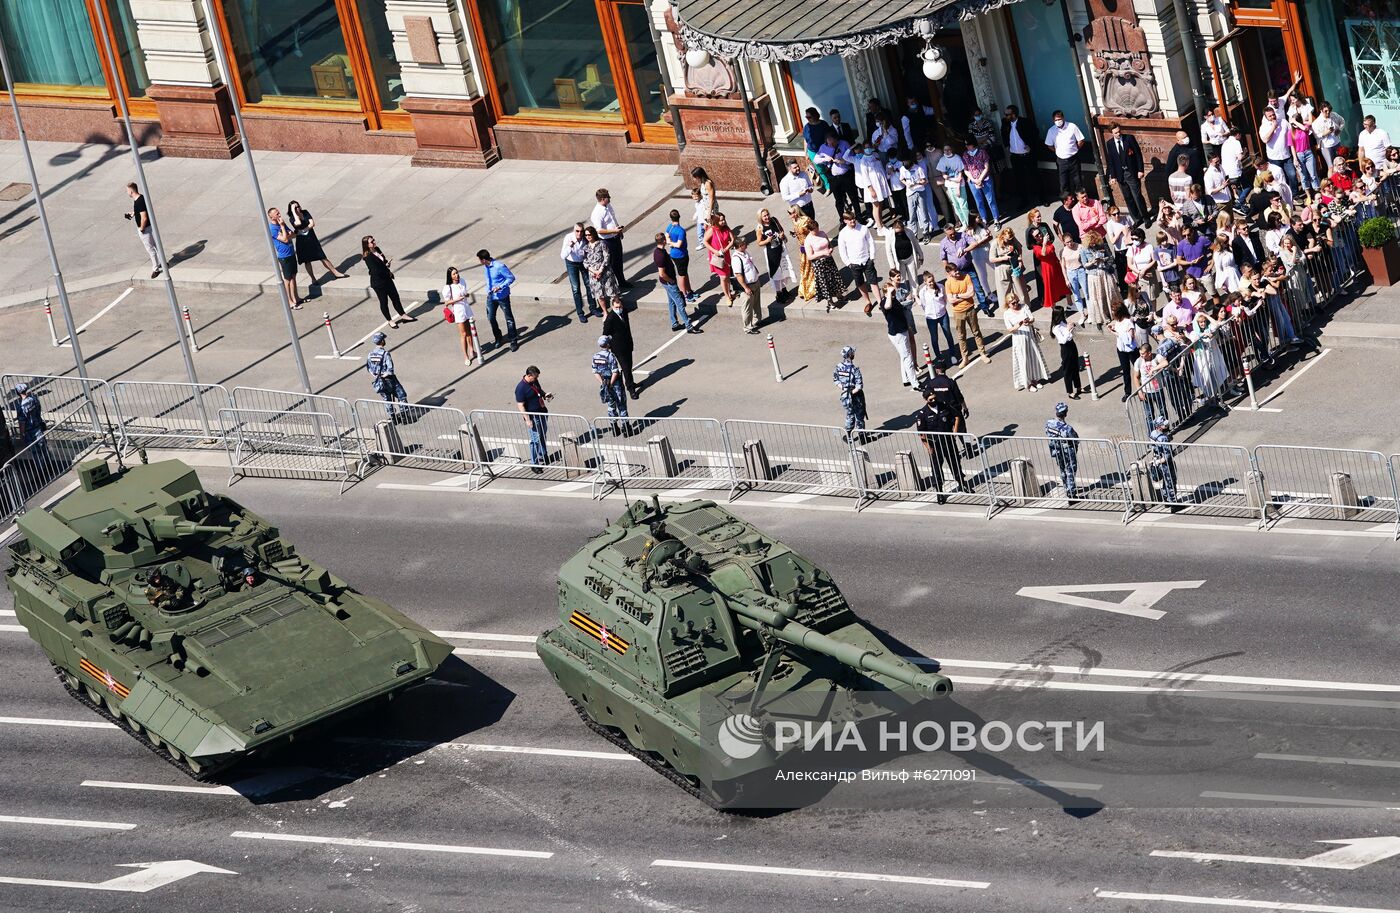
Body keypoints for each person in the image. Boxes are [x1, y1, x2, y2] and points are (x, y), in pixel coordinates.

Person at [915, 389, 967, 502]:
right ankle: (939, 492)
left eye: (934, 398)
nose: (934, 400)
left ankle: (962, 484)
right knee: (937, 469)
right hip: (935, 445)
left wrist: (955, 432)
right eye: (930, 399)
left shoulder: (944, 406)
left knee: (955, 464)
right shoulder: (923, 414)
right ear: (925, 400)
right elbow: (921, 434)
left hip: (948, 442)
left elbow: (957, 416)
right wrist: (928, 448)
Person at [287, 200, 346, 289]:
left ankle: (335, 272)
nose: (298, 208)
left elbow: (312, 223)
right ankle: (313, 278)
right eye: (295, 208)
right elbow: (298, 223)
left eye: (298, 206)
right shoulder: (292, 218)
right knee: (307, 261)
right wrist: (293, 212)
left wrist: (304, 229)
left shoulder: (305, 212)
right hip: (302, 241)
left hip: (311, 238)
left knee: (322, 256)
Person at [878, 271, 921, 389]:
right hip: (898, 333)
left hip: (903, 329)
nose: (894, 291)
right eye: (892, 291)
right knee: (907, 357)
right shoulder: (885, 302)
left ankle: (906, 379)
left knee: (904, 355)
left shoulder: (893, 299)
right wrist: (889, 294)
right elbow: (887, 306)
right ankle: (915, 383)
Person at [940, 223, 992, 316]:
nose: (953, 235)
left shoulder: (962, 235)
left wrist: (965, 250)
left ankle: (984, 306)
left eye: (953, 232)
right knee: (960, 290)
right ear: (946, 234)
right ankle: (967, 309)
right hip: (955, 271)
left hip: (968, 267)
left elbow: (974, 243)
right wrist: (948, 272)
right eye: (950, 234)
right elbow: (944, 259)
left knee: (977, 287)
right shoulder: (943, 243)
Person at [945, 262, 990, 366]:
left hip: (970, 309)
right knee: (961, 336)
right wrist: (963, 296)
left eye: (957, 270)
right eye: (954, 271)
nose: (957, 272)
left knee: (976, 332)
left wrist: (957, 296)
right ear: (949, 273)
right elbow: (951, 300)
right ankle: (965, 358)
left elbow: (971, 293)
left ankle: (982, 353)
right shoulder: (948, 283)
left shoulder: (966, 277)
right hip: (958, 312)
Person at [1003, 293, 1049, 391]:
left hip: (1030, 337)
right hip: (1019, 341)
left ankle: (1035, 380)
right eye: (1013, 303)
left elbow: (1032, 318)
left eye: (1017, 302)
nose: (1016, 304)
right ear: (1008, 304)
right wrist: (1019, 325)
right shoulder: (1007, 313)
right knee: (1024, 361)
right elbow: (1010, 329)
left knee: (1033, 359)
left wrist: (1029, 322)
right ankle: (1028, 384)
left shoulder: (1024, 307)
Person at [655, 232, 699, 334]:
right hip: (669, 283)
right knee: (680, 303)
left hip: (667, 282)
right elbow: (662, 273)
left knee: (671, 302)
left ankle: (674, 323)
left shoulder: (658, 251)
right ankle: (689, 326)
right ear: (664, 241)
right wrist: (671, 281)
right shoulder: (660, 255)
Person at [477, 249, 519, 352]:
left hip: (502, 296)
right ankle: (498, 337)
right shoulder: (486, 267)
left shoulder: (499, 266)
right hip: (491, 297)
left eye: (479, 259)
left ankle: (513, 340)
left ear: (483, 260)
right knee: (491, 317)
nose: (479, 262)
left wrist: (500, 287)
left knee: (509, 318)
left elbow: (511, 278)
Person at [1104, 125, 1147, 223]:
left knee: (1137, 196)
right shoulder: (1110, 143)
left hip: (1131, 172)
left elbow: (1138, 154)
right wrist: (1113, 176)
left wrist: (1140, 170)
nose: (1118, 134)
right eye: (1116, 133)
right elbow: (1111, 161)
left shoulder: (1129, 138)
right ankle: (1136, 218)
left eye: (1119, 131)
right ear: (1112, 133)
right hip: (1120, 175)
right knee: (1128, 197)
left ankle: (1145, 217)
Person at [513, 366, 553, 471]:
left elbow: (538, 391)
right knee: (535, 440)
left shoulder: (534, 381)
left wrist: (545, 395)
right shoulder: (521, 388)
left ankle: (543, 455)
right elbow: (520, 405)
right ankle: (534, 463)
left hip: (542, 412)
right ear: (529, 375)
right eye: (535, 377)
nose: (537, 379)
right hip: (533, 417)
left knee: (543, 435)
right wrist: (527, 420)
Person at [364, 235, 410, 326]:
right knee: (384, 301)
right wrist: (385, 268)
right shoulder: (368, 257)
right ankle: (390, 320)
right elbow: (375, 271)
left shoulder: (377, 249)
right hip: (379, 282)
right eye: (371, 241)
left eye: (373, 240)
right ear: (367, 245)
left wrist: (386, 264)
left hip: (387, 278)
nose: (374, 242)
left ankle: (403, 314)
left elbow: (383, 262)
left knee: (395, 297)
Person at [838, 210, 879, 312]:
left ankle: (879, 301)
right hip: (854, 264)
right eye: (850, 219)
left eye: (853, 218)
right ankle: (867, 302)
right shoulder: (843, 234)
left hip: (867, 260)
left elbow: (871, 242)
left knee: (873, 281)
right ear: (845, 221)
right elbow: (842, 251)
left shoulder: (863, 228)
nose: (853, 221)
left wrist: (872, 257)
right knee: (860, 283)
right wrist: (848, 264)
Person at [815, 131, 860, 221]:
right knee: (839, 200)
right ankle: (842, 220)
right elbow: (816, 159)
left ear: (837, 139)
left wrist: (844, 161)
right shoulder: (823, 147)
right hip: (834, 178)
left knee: (853, 197)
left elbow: (853, 158)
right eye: (829, 143)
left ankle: (859, 216)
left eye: (833, 143)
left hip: (846, 175)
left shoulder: (844, 144)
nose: (831, 145)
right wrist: (825, 159)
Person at [591, 188, 631, 289]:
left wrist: (618, 231)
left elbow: (613, 219)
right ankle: (613, 285)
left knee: (618, 261)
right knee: (611, 263)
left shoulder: (608, 206)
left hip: (615, 237)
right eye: (608, 197)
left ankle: (622, 282)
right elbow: (599, 230)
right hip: (607, 241)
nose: (610, 198)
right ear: (603, 199)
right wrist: (614, 231)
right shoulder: (597, 212)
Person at [1080, 230, 1120, 328]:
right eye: (1091, 243)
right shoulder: (1084, 250)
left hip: (1104, 272)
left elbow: (1110, 258)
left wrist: (1104, 260)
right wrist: (1093, 262)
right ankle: (1100, 318)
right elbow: (1085, 265)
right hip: (1093, 275)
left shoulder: (1102, 246)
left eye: (1095, 242)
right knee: (1097, 298)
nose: (1093, 245)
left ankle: (1115, 314)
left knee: (1110, 294)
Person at [804, 218, 846, 312]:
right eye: (815, 230)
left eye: (817, 229)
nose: (817, 231)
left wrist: (830, 249)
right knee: (825, 283)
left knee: (835, 278)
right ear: (810, 230)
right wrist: (822, 254)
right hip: (819, 264)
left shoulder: (822, 233)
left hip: (829, 260)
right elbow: (810, 257)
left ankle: (839, 296)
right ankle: (830, 302)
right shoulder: (808, 240)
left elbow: (829, 244)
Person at [561, 222, 600, 322]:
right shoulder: (568, 238)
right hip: (571, 263)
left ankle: (593, 308)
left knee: (589, 284)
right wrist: (570, 246)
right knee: (575, 288)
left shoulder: (585, 238)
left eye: (581, 231)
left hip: (582, 262)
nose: (579, 233)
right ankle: (580, 313)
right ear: (574, 231)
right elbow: (562, 255)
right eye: (577, 231)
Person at [1002, 105, 1040, 207]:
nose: (1005, 116)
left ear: (1013, 115)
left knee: (1035, 176)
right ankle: (1024, 201)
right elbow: (1004, 135)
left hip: (1027, 155)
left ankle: (1041, 198)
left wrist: (1031, 146)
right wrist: (1007, 146)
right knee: (1019, 180)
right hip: (1015, 156)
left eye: (1007, 114)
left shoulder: (1025, 122)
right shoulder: (1005, 124)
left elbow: (1035, 134)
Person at [756, 208, 795, 305]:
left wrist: (782, 235)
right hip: (771, 253)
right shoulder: (760, 228)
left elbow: (781, 229)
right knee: (776, 272)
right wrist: (768, 240)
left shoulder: (774, 220)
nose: (767, 217)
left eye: (767, 214)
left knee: (783, 269)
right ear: (760, 217)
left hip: (780, 249)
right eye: (764, 216)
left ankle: (784, 289)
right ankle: (779, 293)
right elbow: (759, 243)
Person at [602, 298, 640, 398]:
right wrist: (609, 346)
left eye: (620, 307)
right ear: (612, 307)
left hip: (627, 344)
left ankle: (630, 382)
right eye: (616, 307)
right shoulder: (610, 319)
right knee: (626, 368)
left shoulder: (624, 312)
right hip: (618, 348)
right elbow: (605, 334)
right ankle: (631, 389)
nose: (619, 309)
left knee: (629, 366)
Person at [365, 331, 408, 418]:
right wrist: (385, 375)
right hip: (390, 380)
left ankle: (392, 417)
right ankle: (404, 416)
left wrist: (377, 376)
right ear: (381, 341)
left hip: (379, 381)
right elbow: (390, 369)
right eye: (383, 339)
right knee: (401, 395)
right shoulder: (385, 354)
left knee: (387, 399)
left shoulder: (370, 354)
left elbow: (369, 368)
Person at [1045, 401, 1081, 501]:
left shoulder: (1049, 424)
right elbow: (1076, 439)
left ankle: (1066, 488)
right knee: (1070, 470)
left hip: (1056, 451)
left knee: (1062, 469)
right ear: (1065, 413)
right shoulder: (1067, 428)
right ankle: (1071, 494)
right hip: (1067, 451)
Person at [592, 335, 630, 431]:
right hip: (615, 383)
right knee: (621, 404)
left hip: (605, 382)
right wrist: (611, 383)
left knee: (610, 405)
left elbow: (595, 372)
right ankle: (626, 428)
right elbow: (615, 372)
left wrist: (603, 383)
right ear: (607, 344)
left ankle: (614, 428)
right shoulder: (610, 356)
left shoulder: (595, 356)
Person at [124, 183, 161, 278]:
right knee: (156, 246)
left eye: (127, 190)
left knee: (150, 249)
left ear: (131, 191)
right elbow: (140, 211)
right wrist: (132, 214)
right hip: (149, 227)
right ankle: (162, 262)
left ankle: (156, 268)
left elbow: (144, 217)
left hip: (145, 229)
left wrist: (141, 229)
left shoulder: (139, 201)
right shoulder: (140, 198)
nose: (127, 192)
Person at [441, 266, 476, 364]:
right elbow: (446, 302)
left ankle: (472, 350)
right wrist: (458, 299)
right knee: (463, 334)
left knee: (470, 332)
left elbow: (465, 293)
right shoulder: (448, 287)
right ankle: (466, 356)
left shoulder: (462, 281)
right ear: (450, 276)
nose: (457, 275)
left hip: (466, 308)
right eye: (454, 274)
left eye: (457, 273)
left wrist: (466, 295)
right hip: (458, 310)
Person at [1045, 111, 1085, 196]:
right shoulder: (1051, 131)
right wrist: (1057, 151)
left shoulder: (1072, 126)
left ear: (1063, 118)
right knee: (1064, 183)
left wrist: (1076, 148)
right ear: (1053, 120)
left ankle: (1080, 202)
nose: (1058, 121)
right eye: (1056, 120)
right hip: (1061, 161)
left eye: (1059, 119)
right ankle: (1067, 203)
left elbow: (1081, 140)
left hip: (1073, 159)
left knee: (1078, 182)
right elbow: (1049, 145)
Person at [962, 137, 1001, 225]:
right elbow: (966, 170)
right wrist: (973, 180)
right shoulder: (965, 154)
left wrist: (980, 179)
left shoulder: (982, 152)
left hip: (985, 179)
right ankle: (984, 219)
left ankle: (996, 219)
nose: (966, 146)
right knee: (979, 202)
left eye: (968, 144)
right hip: (973, 181)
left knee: (991, 200)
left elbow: (986, 167)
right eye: (965, 144)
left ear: (973, 144)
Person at [918, 271, 955, 360]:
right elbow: (923, 305)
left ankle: (953, 354)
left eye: (932, 281)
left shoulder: (941, 287)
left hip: (942, 315)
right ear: (925, 282)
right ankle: (939, 357)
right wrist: (929, 312)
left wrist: (941, 308)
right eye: (929, 282)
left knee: (948, 334)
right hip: (931, 318)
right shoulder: (922, 292)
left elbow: (944, 300)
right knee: (934, 338)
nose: (932, 283)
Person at [990, 227, 1029, 312]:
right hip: (1001, 267)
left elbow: (1019, 248)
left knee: (1020, 287)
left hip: (1014, 265)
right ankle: (1007, 311)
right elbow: (991, 259)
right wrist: (1003, 258)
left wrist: (1020, 260)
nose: (1009, 241)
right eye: (1008, 239)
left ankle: (1025, 307)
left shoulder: (1012, 239)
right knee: (1004, 291)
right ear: (1003, 236)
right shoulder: (995, 243)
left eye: (1011, 239)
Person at [1032, 224, 1070, 312]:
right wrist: (1044, 243)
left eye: (1039, 233)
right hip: (1047, 269)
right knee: (1051, 289)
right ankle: (1055, 311)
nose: (1039, 236)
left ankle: (1070, 304)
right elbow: (1043, 253)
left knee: (1063, 284)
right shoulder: (1036, 247)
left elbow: (1053, 252)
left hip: (1055, 264)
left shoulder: (1047, 242)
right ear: (1033, 238)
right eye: (1036, 236)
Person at [832, 345, 867, 439]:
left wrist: (844, 389)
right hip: (856, 396)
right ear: (850, 355)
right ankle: (862, 437)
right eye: (853, 352)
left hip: (845, 396)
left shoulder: (838, 367)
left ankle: (848, 436)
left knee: (849, 414)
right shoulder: (855, 370)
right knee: (859, 416)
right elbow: (859, 386)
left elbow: (836, 380)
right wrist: (852, 392)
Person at [881, 216, 924, 290]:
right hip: (899, 261)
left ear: (903, 228)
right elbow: (888, 251)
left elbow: (915, 243)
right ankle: (904, 295)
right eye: (897, 232)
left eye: (901, 232)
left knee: (914, 278)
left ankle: (915, 294)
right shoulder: (889, 235)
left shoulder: (909, 232)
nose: (899, 234)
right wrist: (892, 266)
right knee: (901, 279)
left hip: (910, 258)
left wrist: (921, 255)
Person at [899, 151, 935, 240]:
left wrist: (917, 182)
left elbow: (925, 181)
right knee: (912, 215)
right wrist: (907, 184)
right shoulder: (903, 169)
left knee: (924, 213)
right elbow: (901, 179)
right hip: (910, 193)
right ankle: (914, 234)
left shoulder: (918, 168)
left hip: (920, 191)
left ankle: (926, 232)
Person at [269, 208, 301, 307]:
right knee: (288, 279)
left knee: (294, 276)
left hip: (291, 253)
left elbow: (293, 234)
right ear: (271, 217)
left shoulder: (281, 223)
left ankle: (296, 298)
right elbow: (285, 240)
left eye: (279, 212)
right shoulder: (273, 228)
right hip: (284, 256)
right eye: (277, 213)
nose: (279, 214)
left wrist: (285, 233)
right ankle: (289, 301)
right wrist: (283, 227)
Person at [704, 211, 737, 307]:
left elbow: (732, 239)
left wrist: (726, 248)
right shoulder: (712, 230)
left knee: (727, 275)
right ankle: (727, 296)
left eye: (724, 220)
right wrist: (715, 251)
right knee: (723, 277)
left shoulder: (726, 228)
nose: (723, 222)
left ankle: (729, 292)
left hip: (725, 255)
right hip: (717, 256)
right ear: (716, 221)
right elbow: (705, 242)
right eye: (721, 220)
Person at [731, 235, 763, 334]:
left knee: (756, 304)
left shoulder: (744, 252)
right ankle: (747, 328)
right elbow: (738, 275)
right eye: (745, 244)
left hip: (755, 282)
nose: (747, 245)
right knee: (747, 308)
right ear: (740, 245)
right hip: (747, 286)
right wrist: (745, 288)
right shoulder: (736, 258)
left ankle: (756, 321)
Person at [1135, 343, 1169, 428]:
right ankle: (1152, 433)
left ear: (1149, 353)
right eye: (1140, 353)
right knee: (1149, 414)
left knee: (1162, 411)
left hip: (1157, 390)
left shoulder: (1156, 357)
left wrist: (1154, 369)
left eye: (1143, 354)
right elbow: (1136, 377)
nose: (1141, 356)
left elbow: (1165, 363)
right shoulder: (1138, 361)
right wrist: (1139, 391)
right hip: (1146, 392)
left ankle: (1165, 430)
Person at [935, 143, 970, 227]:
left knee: (963, 205)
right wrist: (950, 179)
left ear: (952, 149)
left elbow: (959, 176)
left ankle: (968, 224)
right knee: (956, 206)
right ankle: (964, 224)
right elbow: (944, 175)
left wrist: (957, 186)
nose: (947, 151)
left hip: (959, 186)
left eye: (948, 149)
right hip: (950, 186)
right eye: (945, 150)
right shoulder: (942, 160)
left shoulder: (957, 158)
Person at [1147, 417, 1180, 506]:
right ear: (1159, 426)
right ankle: (1173, 503)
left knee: (1166, 481)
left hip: (1157, 460)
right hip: (1165, 462)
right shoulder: (1163, 439)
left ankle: (1166, 499)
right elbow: (1167, 454)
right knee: (1170, 481)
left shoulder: (1153, 433)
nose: (1167, 426)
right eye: (1164, 425)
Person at [801, 107, 835, 191]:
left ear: (815, 116)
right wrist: (805, 153)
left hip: (824, 151)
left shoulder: (823, 124)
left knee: (829, 167)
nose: (808, 119)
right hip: (812, 151)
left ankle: (835, 183)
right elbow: (805, 140)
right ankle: (827, 186)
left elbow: (829, 138)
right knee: (820, 169)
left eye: (809, 117)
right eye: (806, 117)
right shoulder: (807, 127)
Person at [1051, 314, 1083, 398]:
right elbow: (1063, 340)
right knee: (1068, 371)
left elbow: (1070, 335)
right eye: (1062, 313)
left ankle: (1078, 387)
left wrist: (1071, 327)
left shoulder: (1063, 323)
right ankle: (1070, 392)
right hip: (1065, 348)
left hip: (1072, 344)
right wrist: (1068, 330)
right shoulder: (1055, 328)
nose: (1064, 315)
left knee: (1075, 367)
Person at [11, 383, 45, 459]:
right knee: (44, 449)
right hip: (38, 427)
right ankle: (48, 465)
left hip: (29, 432)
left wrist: (22, 435)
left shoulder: (20, 406)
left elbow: (22, 423)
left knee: (36, 453)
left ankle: (41, 469)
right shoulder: (34, 399)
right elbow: (38, 411)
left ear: (18, 392)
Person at [1221, 128, 1249, 211]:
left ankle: (1244, 208)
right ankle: (1239, 202)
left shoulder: (1225, 143)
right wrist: (1244, 152)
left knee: (1238, 188)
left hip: (1226, 172)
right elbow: (1240, 157)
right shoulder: (1236, 143)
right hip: (1235, 172)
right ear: (1237, 134)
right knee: (1248, 186)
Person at [1312, 101, 1345, 170]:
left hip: (1336, 143)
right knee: (1331, 166)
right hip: (1326, 146)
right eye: (1325, 111)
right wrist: (1326, 132)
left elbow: (1342, 121)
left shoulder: (1334, 115)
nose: (1328, 113)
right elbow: (1316, 135)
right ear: (1321, 111)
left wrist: (1339, 129)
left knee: (1340, 163)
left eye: (1329, 111)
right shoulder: (1317, 122)